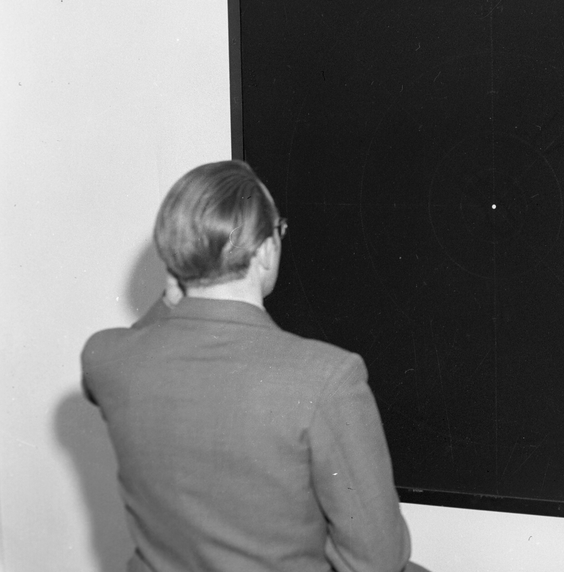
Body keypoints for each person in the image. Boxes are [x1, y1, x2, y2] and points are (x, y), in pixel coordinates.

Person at [82, 160, 420, 572]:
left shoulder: (107, 358)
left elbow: (115, 361)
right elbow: (378, 559)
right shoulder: (329, 377)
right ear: (264, 251)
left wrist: (172, 300)